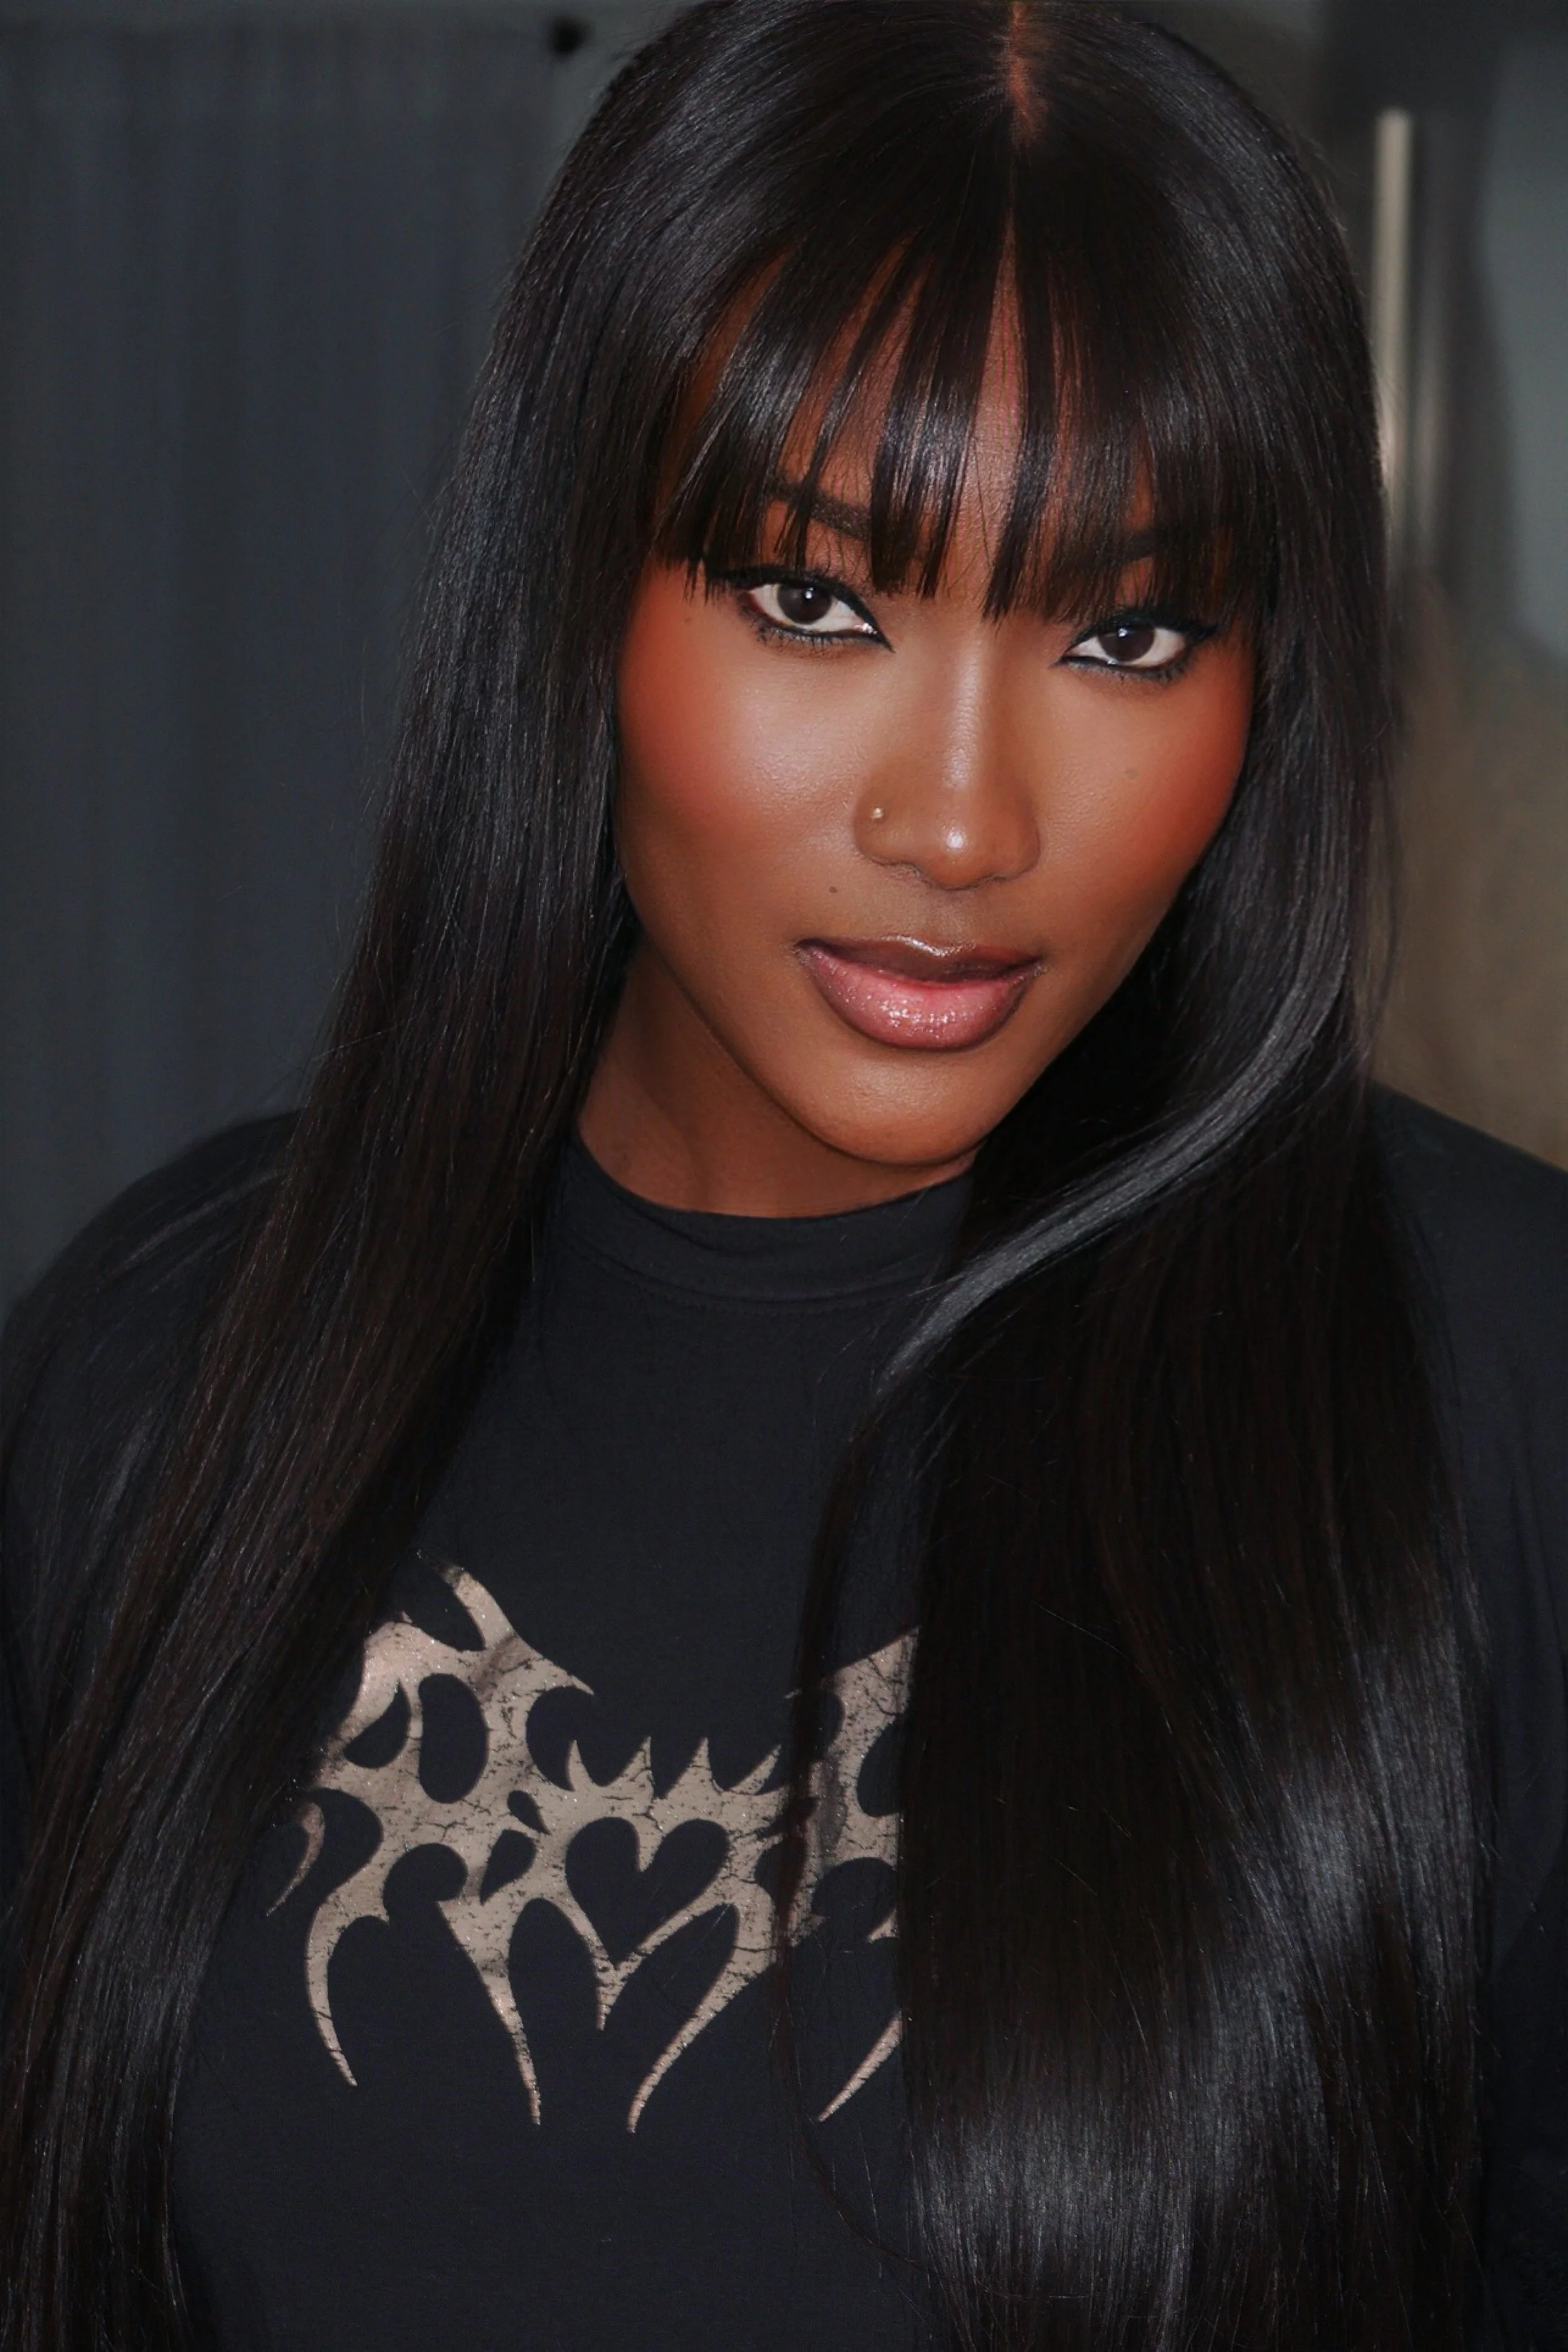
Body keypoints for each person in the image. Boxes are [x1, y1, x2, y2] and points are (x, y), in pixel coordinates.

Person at [1, 1, 1564, 2344]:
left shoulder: (1495, 1384)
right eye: (816, 600)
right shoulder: (170, 1358)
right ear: (575, 589)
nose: (962, 819)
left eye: (1127, 631)